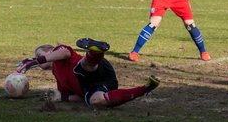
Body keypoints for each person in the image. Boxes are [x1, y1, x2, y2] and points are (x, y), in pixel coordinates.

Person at [16, 38, 159, 108]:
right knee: (95, 101)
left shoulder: (59, 50)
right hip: (99, 84)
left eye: (39, 54)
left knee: (81, 68)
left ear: (49, 51)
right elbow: (78, 96)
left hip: (96, 67)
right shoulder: (59, 80)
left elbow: (65, 53)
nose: (38, 58)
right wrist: (60, 98)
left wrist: (35, 61)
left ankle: (96, 51)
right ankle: (145, 88)